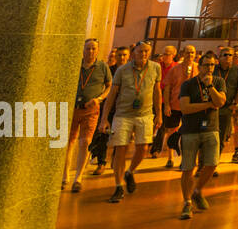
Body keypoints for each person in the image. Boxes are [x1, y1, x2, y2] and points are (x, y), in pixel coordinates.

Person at [100, 41, 163, 203]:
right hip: (123, 115)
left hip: (145, 115)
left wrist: (159, 114)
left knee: (143, 147)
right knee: (120, 149)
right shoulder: (122, 70)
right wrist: (104, 118)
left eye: (147, 51)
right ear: (134, 52)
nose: (144, 54)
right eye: (140, 51)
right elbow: (112, 94)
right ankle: (118, 186)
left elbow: (157, 92)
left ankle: (130, 172)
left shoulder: (155, 68)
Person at [177, 51, 226, 219]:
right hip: (190, 130)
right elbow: (185, 108)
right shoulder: (188, 84)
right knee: (188, 167)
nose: (210, 68)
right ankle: (187, 202)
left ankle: (197, 190)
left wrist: (210, 87)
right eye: (207, 65)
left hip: (211, 128)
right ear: (200, 66)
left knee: (212, 164)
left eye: (213, 65)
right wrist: (207, 105)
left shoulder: (218, 82)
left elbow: (220, 102)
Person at [64, 38, 112, 193]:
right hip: (72, 109)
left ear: (97, 51)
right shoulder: (75, 65)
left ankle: (78, 177)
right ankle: (65, 175)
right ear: (83, 50)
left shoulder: (102, 67)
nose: (90, 51)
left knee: (85, 141)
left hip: (90, 110)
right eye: (87, 49)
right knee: (69, 142)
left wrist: (99, 99)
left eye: (93, 49)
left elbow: (109, 86)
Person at [88, 46, 128, 177]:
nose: (121, 57)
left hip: (124, 108)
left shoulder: (131, 72)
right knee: (104, 135)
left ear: (128, 56)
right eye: (119, 55)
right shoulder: (109, 71)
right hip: (108, 107)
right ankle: (101, 162)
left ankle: (116, 159)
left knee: (120, 135)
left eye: (124, 55)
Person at [158, 44, 196, 168]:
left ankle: (187, 159)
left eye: (192, 53)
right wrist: (167, 105)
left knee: (189, 133)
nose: (190, 55)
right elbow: (167, 88)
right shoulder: (175, 69)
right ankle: (170, 158)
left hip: (191, 107)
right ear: (182, 54)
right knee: (171, 131)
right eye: (187, 52)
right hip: (175, 105)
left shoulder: (198, 68)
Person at [213, 47, 238, 166]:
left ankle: (214, 162)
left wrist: (235, 104)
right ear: (219, 57)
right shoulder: (214, 69)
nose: (228, 57)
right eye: (225, 55)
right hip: (212, 107)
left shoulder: (237, 70)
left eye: (230, 55)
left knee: (221, 137)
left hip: (227, 108)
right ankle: (204, 162)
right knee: (208, 135)